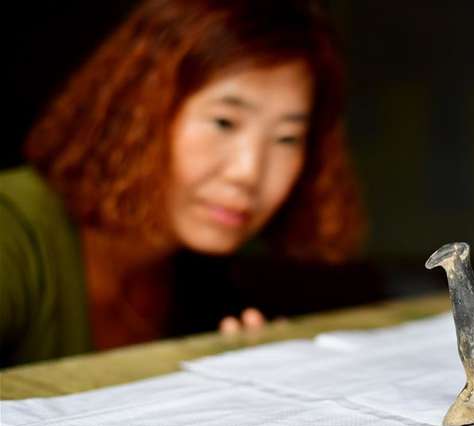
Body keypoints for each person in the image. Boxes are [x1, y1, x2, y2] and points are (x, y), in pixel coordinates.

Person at [0, 0, 364, 367]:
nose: (248, 173)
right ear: (137, 108)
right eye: (224, 123)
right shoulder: (13, 229)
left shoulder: (200, 274)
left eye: (287, 139)